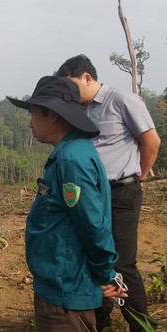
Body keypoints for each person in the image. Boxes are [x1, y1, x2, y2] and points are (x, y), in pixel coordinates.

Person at [7, 76, 127, 331]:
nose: (30, 124)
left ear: (52, 114)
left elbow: (93, 224)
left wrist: (106, 274)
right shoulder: (71, 153)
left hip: (65, 293)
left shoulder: (71, 160)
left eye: (33, 114)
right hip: (60, 285)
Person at [56, 54, 161, 332]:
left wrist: (138, 174)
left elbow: (151, 140)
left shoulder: (122, 100)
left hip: (121, 193)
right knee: (94, 260)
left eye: (71, 86)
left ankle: (142, 326)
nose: (68, 94)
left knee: (122, 264)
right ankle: (99, 324)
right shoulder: (78, 111)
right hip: (91, 196)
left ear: (87, 78)